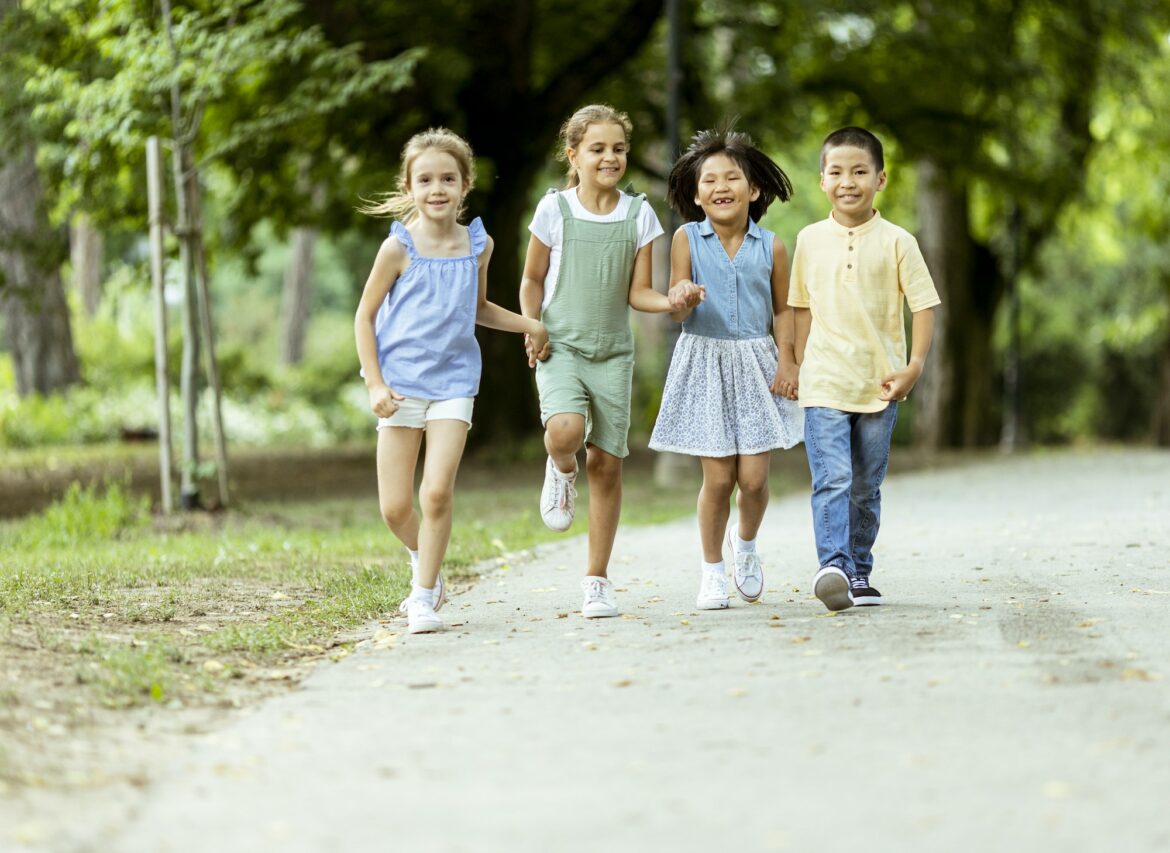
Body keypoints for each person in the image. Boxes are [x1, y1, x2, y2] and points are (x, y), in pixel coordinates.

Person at [354, 128, 549, 634]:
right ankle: (427, 562)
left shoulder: (478, 245)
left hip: (455, 382)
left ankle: (423, 595)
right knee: (396, 508)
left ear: (465, 185)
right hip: (399, 385)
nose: (437, 188)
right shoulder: (396, 249)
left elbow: (478, 308)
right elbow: (363, 317)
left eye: (447, 178)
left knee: (435, 493)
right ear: (409, 186)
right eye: (425, 179)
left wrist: (530, 323)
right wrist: (375, 384)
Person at [519, 104, 700, 619]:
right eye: (597, 149)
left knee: (607, 463)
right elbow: (532, 279)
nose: (610, 157)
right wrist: (532, 322)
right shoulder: (554, 210)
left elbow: (639, 292)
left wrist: (671, 302)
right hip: (560, 345)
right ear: (573, 155)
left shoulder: (639, 214)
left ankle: (596, 580)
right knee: (565, 432)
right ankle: (559, 469)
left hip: (613, 352)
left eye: (618, 148)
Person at [649, 128, 803, 611]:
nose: (721, 186)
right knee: (717, 481)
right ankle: (712, 570)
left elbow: (783, 311)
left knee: (754, 481)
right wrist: (682, 297)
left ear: (753, 189)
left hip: (759, 364)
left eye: (731, 177)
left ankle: (747, 545)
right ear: (697, 195)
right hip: (705, 363)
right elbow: (676, 304)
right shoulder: (686, 239)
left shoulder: (773, 246)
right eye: (709, 179)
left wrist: (788, 360)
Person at [789, 126, 940, 611]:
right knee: (831, 478)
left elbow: (924, 307)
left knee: (864, 486)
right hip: (824, 381)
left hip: (881, 385)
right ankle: (832, 566)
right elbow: (800, 309)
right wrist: (792, 363)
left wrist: (914, 366)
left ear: (881, 179)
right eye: (836, 172)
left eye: (859, 171)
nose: (847, 181)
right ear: (822, 180)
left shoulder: (899, 241)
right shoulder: (809, 239)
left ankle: (858, 572)